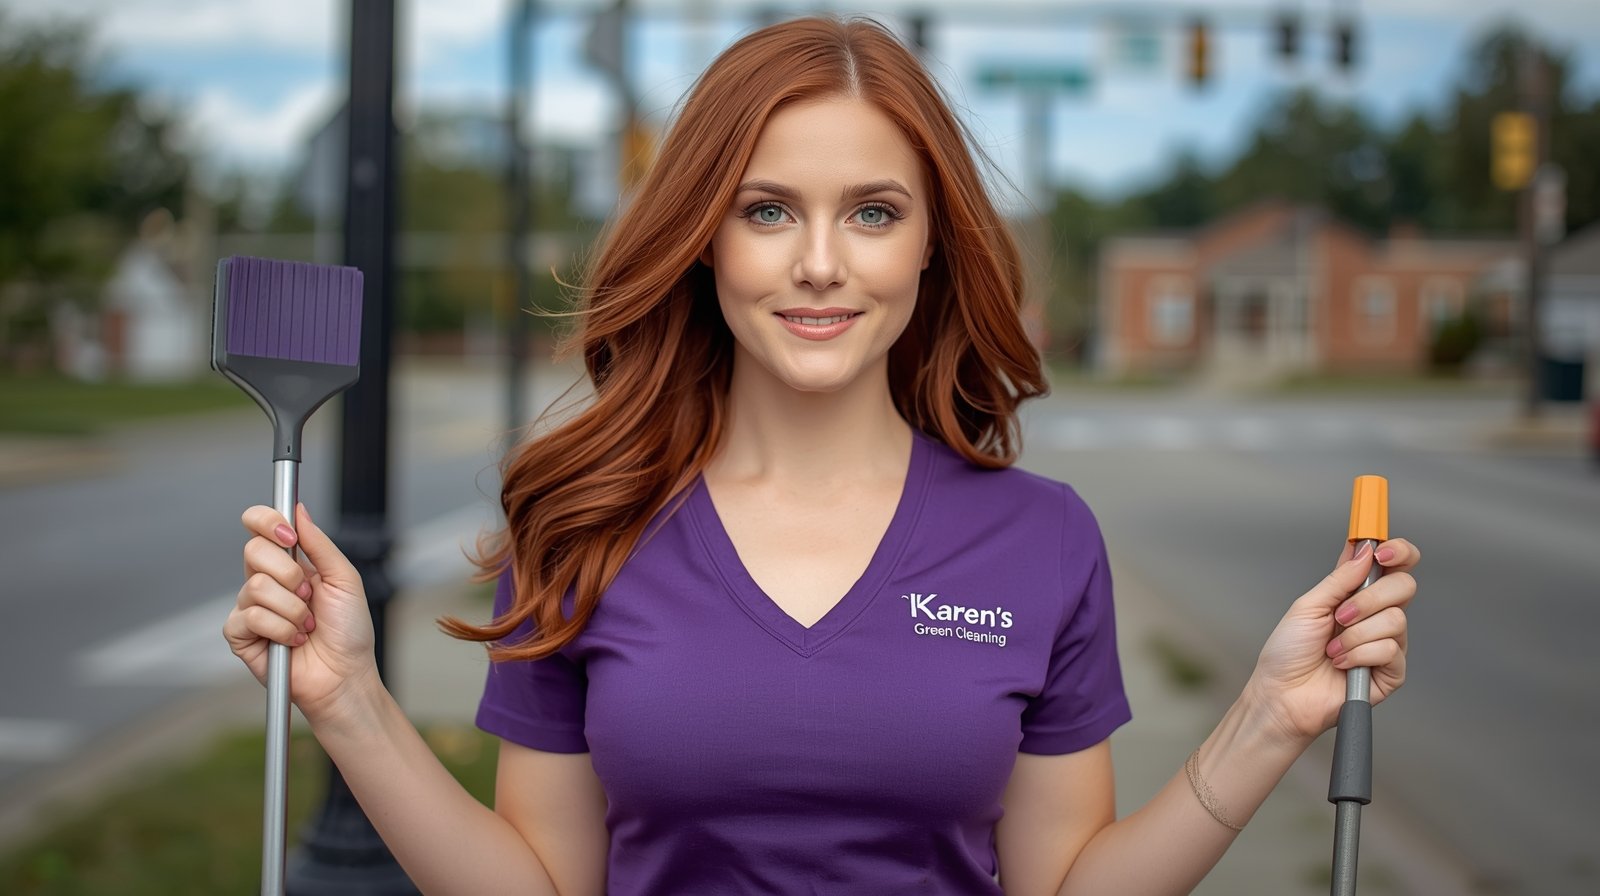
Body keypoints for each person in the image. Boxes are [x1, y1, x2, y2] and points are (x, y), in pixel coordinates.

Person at [225, 16, 1419, 895]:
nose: (819, 264)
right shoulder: (583, 525)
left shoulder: (1044, 539)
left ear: (929, 250)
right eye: (766, 209)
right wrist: (347, 701)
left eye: (872, 211)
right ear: (703, 241)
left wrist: (1268, 713)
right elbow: (538, 883)